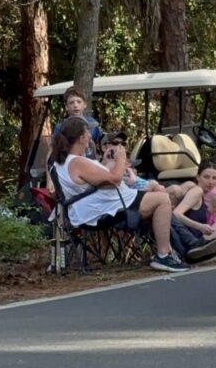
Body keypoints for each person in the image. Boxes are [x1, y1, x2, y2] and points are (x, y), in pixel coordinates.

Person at [52, 116, 190, 272]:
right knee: (162, 199)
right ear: (81, 137)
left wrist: (104, 164)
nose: (91, 136)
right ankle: (164, 255)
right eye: (88, 133)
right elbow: (115, 179)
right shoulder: (77, 162)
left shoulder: (63, 162)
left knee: (156, 196)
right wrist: (121, 159)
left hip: (97, 206)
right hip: (101, 209)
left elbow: (91, 181)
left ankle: (177, 250)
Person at [53, 87, 102, 160]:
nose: (75, 105)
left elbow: (99, 145)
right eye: (71, 102)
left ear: (85, 104)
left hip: (90, 164)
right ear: (66, 106)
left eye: (79, 102)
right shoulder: (60, 127)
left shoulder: (93, 123)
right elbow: (54, 150)